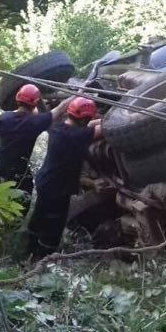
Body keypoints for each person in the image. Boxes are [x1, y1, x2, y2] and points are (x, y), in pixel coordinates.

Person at [27, 96, 102, 260]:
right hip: (58, 188)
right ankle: (43, 260)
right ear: (84, 119)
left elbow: (89, 126)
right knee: (54, 225)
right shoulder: (77, 136)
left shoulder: (58, 128)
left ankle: (27, 252)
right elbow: (102, 129)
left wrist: (95, 120)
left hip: (45, 181)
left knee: (39, 216)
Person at [0, 84, 69, 216]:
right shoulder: (36, 122)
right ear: (36, 104)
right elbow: (60, 109)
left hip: (0, 164)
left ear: (17, 99)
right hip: (18, 170)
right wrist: (80, 92)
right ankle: (15, 227)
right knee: (22, 200)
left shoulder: (4, 118)